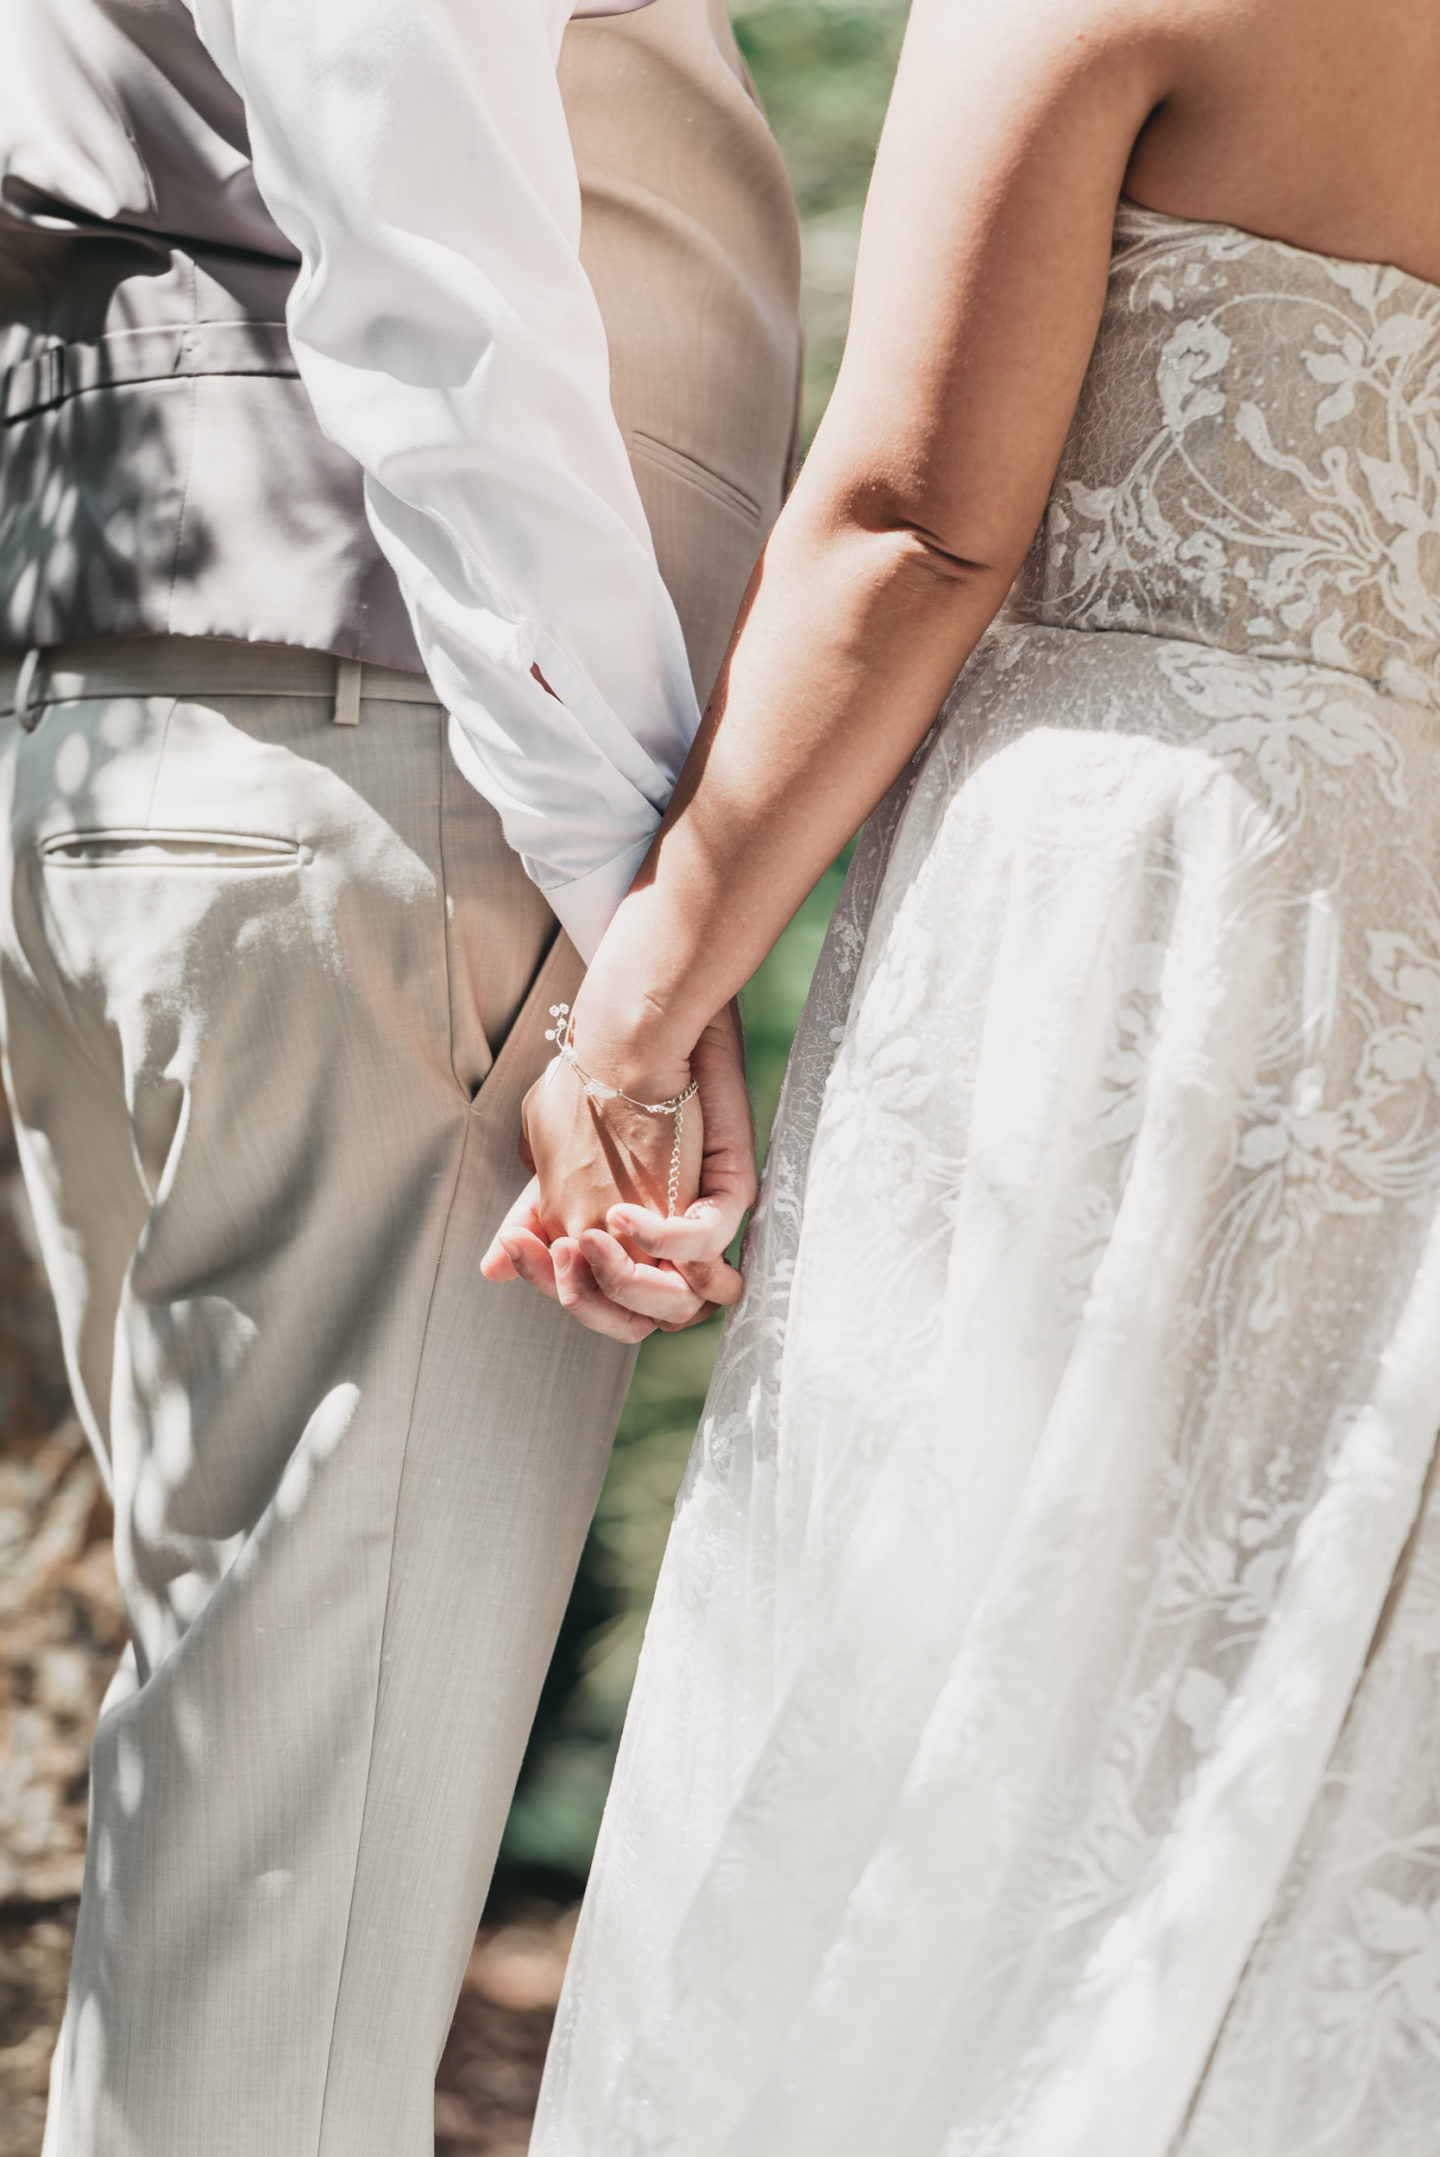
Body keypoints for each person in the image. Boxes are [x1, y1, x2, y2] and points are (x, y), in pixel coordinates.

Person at [501, 0, 1440, 2148]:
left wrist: (637, 995)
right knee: (1306, 1739)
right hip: (1406, 911)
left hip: (1134, 918)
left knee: (979, 1663)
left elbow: (917, 512)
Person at [0, 0, 798, 2148]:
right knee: (291, 1895)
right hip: (399, 766)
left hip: (162, 724)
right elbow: (433, 281)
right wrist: (644, 905)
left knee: (240, 1808)